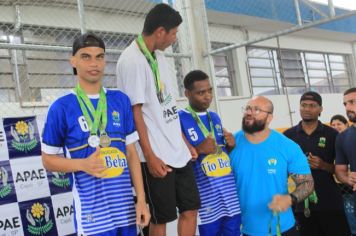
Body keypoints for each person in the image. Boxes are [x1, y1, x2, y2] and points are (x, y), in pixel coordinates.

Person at [41, 33, 150, 236]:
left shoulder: (121, 100)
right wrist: (82, 165)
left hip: (126, 212)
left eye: (99, 56)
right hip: (93, 219)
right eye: (86, 56)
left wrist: (141, 200)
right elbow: (48, 160)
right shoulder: (61, 107)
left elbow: (132, 153)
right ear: (73, 61)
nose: (94, 63)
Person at [116, 4, 200, 236]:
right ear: (161, 31)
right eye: (174, 33)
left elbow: (169, 106)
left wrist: (184, 142)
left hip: (178, 152)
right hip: (155, 155)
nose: (174, 38)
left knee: (191, 209)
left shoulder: (161, 57)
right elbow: (135, 113)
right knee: (160, 218)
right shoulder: (131, 60)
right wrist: (150, 157)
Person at [230, 96, 314, 236]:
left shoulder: (287, 146)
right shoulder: (231, 145)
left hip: (282, 228)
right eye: (248, 108)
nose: (249, 112)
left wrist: (290, 199)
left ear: (269, 118)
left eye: (257, 110)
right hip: (242, 229)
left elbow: (307, 182)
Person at [178, 70, 241, 236]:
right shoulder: (179, 119)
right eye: (200, 92)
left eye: (209, 90)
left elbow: (219, 150)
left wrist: (231, 145)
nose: (207, 96)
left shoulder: (214, 117)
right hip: (205, 196)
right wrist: (198, 150)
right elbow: (176, 159)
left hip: (228, 193)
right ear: (187, 94)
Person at [283, 91, 350, 236]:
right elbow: (281, 169)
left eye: (312, 106)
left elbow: (340, 170)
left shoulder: (332, 134)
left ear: (320, 109)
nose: (307, 109)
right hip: (301, 204)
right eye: (304, 105)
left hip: (329, 201)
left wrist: (323, 165)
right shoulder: (288, 136)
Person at [335, 87, 356, 225]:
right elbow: (340, 171)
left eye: (352, 102)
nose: (348, 107)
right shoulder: (343, 137)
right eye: (345, 104)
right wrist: (349, 178)